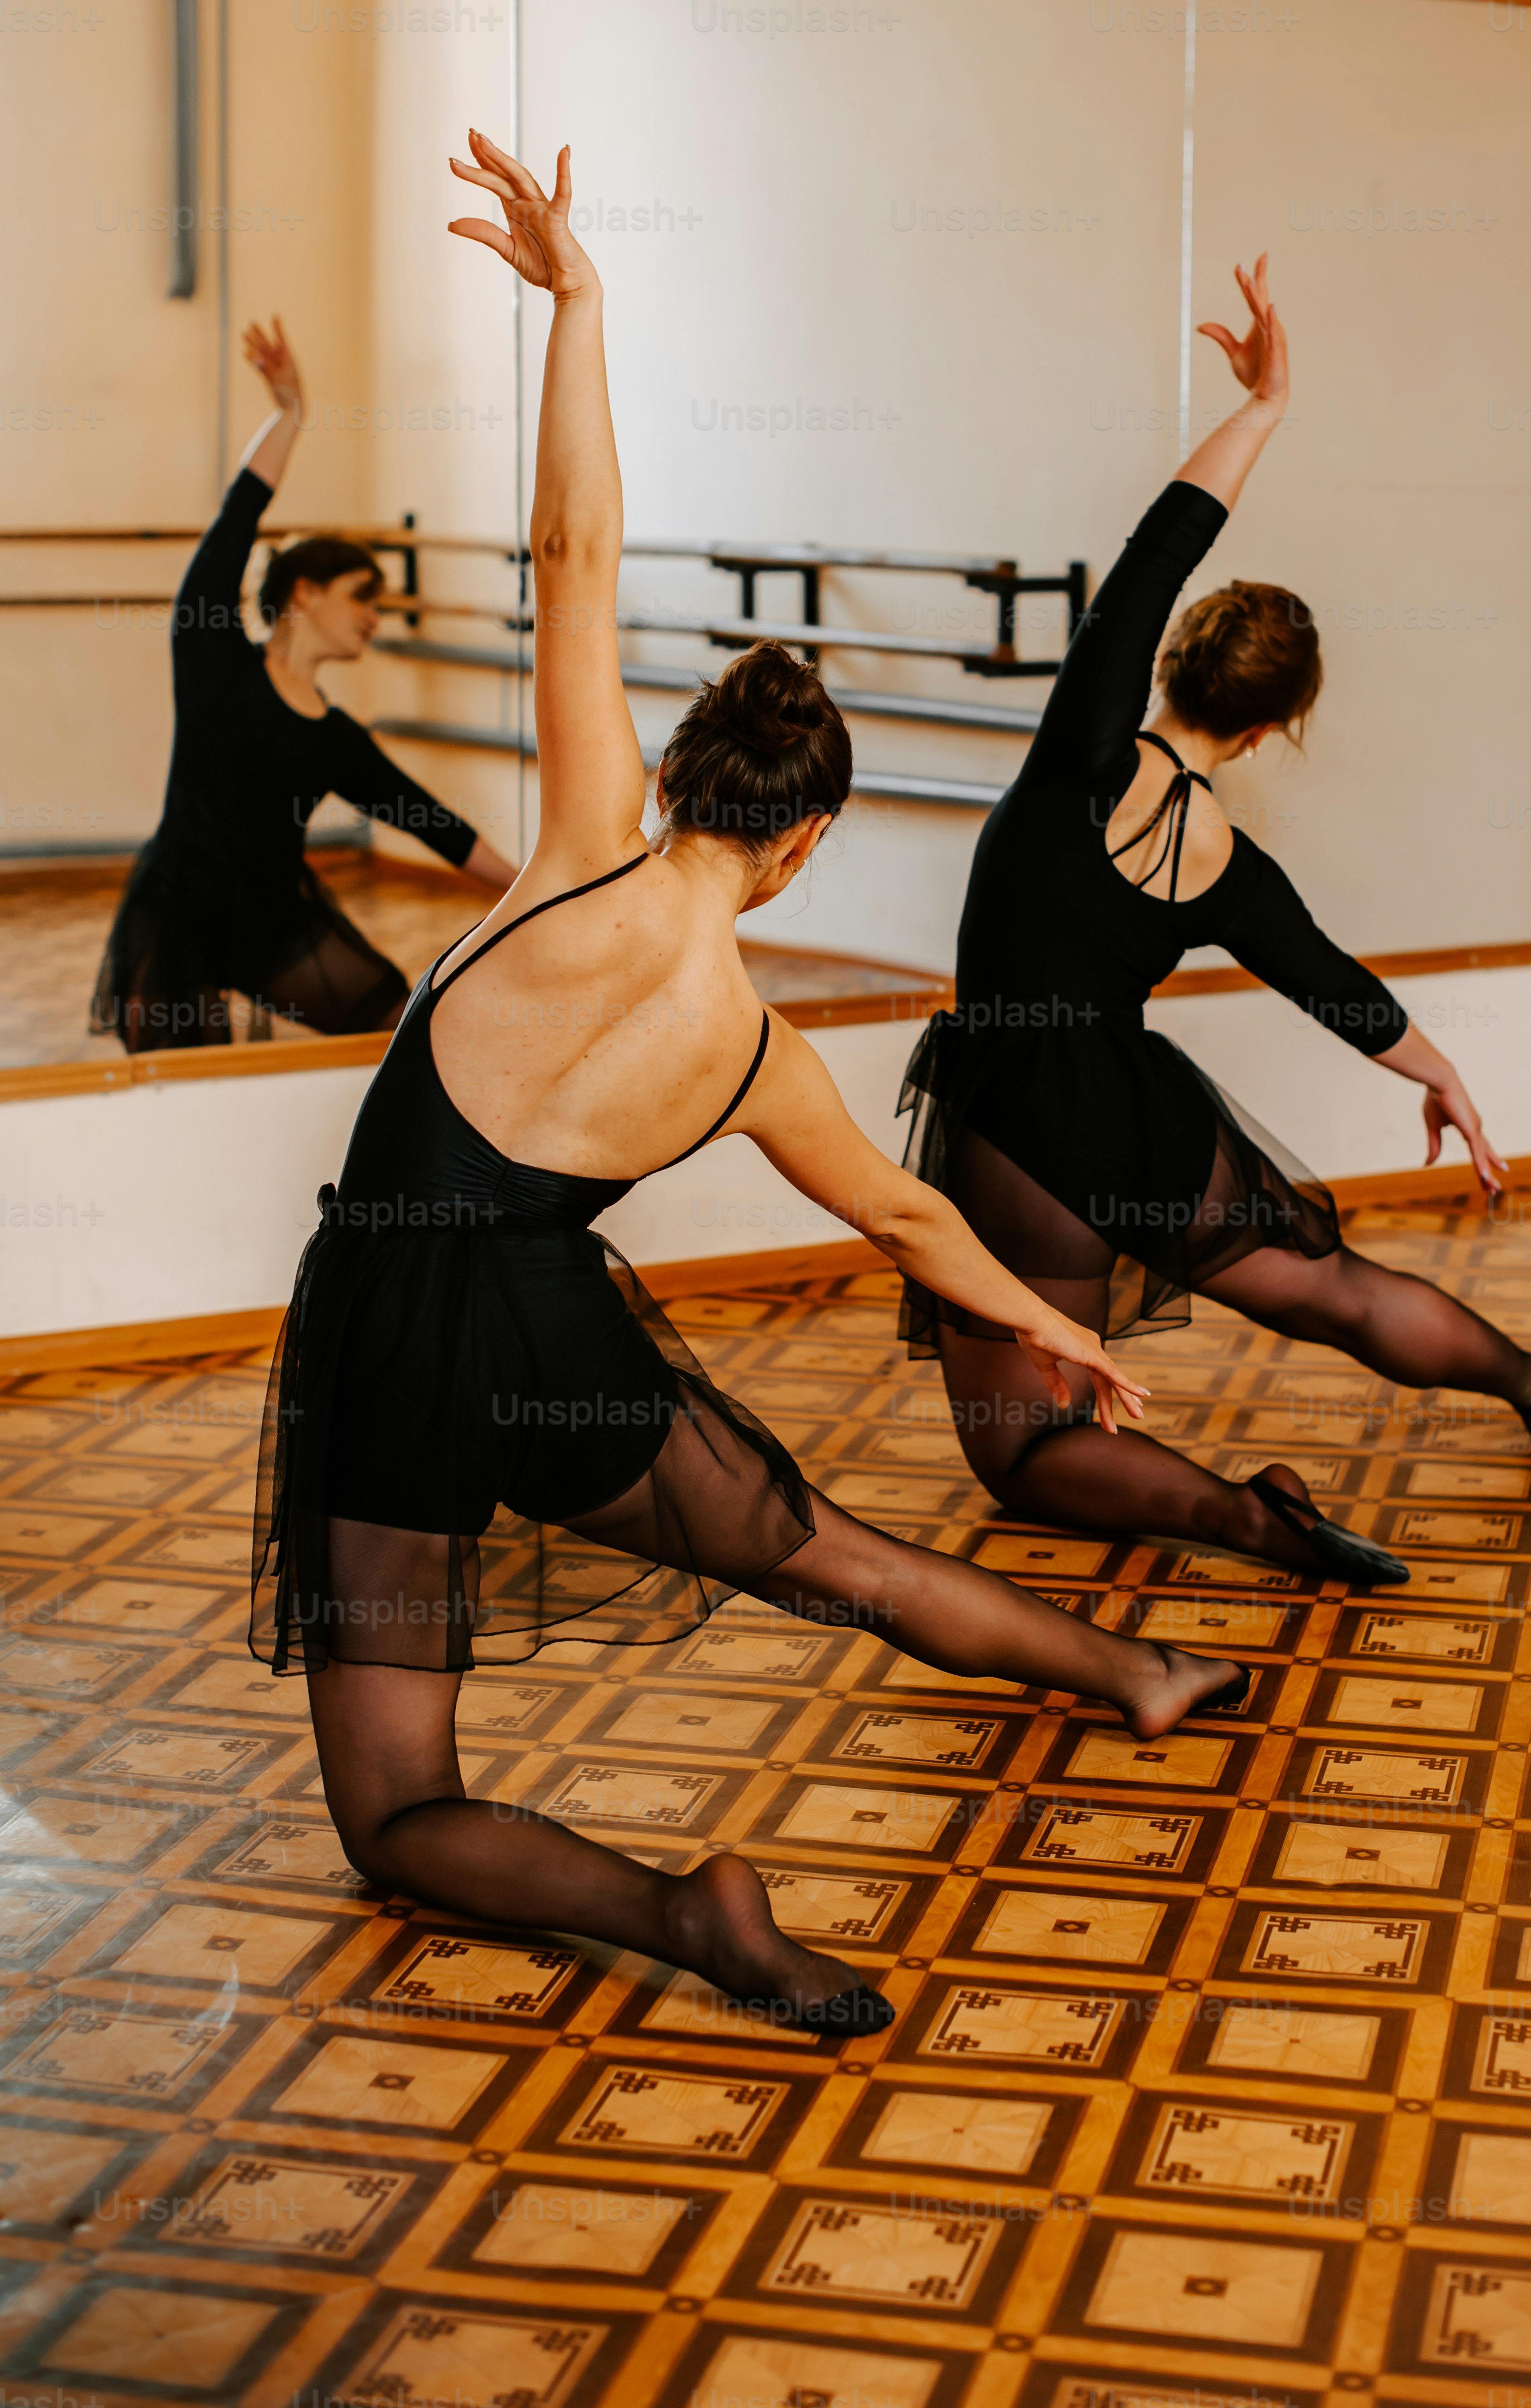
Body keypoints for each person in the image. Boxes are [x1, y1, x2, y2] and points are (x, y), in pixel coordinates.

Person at [251, 133, 1250, 2040]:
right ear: (800, 849)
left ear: (698, 774)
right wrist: (1058, 1329)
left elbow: (574, 550)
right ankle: (1127, 1677)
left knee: (400, 1811)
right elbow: (907, 1214)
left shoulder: (582, 850)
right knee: (815, 1554)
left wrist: (580, 303)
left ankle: (685, 1915)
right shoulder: (758, 1051)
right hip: (549, 1336)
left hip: (387, 1319)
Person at [899, 255, 1531, 1587]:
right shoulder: (1233, 867)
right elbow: (1337, 988)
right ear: (1280, 724)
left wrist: (1260, 408)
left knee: (1024, 1455)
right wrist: (1444, 1078)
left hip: (1019, 1121)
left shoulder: (1076, 760)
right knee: (1328, 1287)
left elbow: (1156, 541)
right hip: (1139, 1113)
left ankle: (1252, 1519)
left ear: (1161, 661)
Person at [92, 317, 516, 1054]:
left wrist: (529, 891)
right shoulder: (212, 657)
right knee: (186, 1092)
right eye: (363, 597)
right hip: (175, 914)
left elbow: (432, 822)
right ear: (305, 593)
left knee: (397, 1028)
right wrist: (291, 415)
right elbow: (234, 523)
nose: (374, 618)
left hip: (273, 925)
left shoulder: (334, 741)